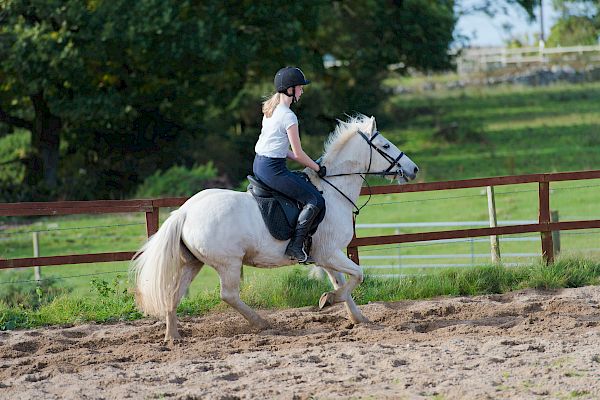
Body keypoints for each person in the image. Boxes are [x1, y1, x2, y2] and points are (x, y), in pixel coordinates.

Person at [253, 66, 326, 263]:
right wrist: (318, 168)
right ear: (290, 90)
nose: (302, 91)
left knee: (301, 181)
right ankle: (295, 247)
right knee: (315, 200)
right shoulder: (288, 116)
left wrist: (309, 163)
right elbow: (299, 153)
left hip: (260, 164)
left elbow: (284, 150)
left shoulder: (271, 110)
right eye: (300, 88)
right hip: (273, 169)